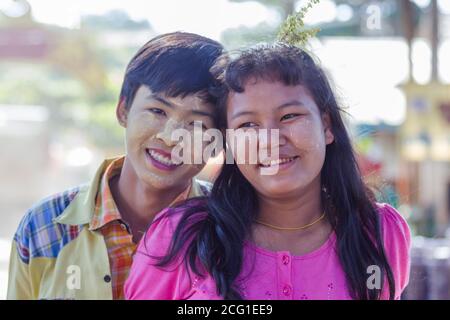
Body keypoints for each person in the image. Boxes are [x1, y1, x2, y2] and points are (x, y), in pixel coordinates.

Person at [125, 43, 411, 300]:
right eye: (247, 126)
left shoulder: (378, 231)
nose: (271, 140)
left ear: (326, 126)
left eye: (289, 116)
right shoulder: (181, 237)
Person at [7, 32, 224, 300]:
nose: (170, 137)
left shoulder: (232, 229)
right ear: (123, 109)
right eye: (158, 111)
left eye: (196, 124)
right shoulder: (42, 226)